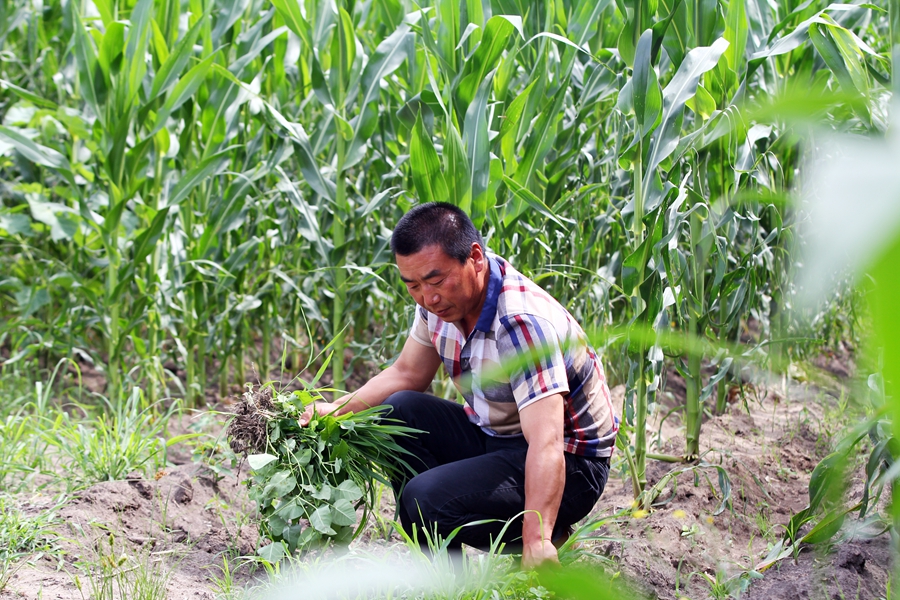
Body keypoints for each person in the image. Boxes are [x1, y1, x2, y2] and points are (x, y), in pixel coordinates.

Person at [300, 202, 616, 567]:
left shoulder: (520, 321)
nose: (427, 298)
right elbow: (407, 373)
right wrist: (333, 411)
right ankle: (450, 580)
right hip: (500, 437)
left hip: (571, 462)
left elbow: (545, 442)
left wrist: (537, 539)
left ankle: (547, 535)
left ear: (476, 258)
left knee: (423, 500)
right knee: (398, 409)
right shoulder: (437, 305)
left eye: (435, 281)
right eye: (413, 285)